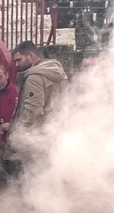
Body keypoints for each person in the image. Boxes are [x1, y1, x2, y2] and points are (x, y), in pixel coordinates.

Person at [4, 40, 67, 175]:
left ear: (31, 56)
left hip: (35, 140)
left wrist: (18, 134)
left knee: (31, 181)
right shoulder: (58, 73)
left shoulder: (34, 78)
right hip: (53, 136)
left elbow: (33, 110)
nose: (17, 65)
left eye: (19, 60)